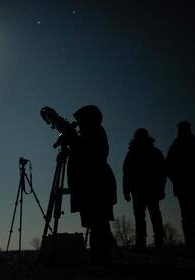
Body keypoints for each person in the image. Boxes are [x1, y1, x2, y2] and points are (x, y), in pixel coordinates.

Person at [67, 105, 117, 264]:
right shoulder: (88, 135)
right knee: (95, 222)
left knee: (98, 222)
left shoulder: (95, 134)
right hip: (89, 185)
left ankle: (101, 257)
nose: (79, 124)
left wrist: (74, 142)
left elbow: (91, 156)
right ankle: (99, 256)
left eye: (81, 121)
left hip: (96, 186)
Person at [166, 121, 195, 249]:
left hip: (192, 187)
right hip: (191, 187)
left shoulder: (179, 147)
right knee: (194, 214)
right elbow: (169, 168)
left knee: (191, 215)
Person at [123, 128, 166, 251]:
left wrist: (126, 190)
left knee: (145, 216)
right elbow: (126, 173)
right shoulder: (154, 152)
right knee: (151, 215)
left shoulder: (133, 153)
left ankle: (147, 242)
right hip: (144, 190)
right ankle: (153, 242)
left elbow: (162, 172)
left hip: (144, 190)